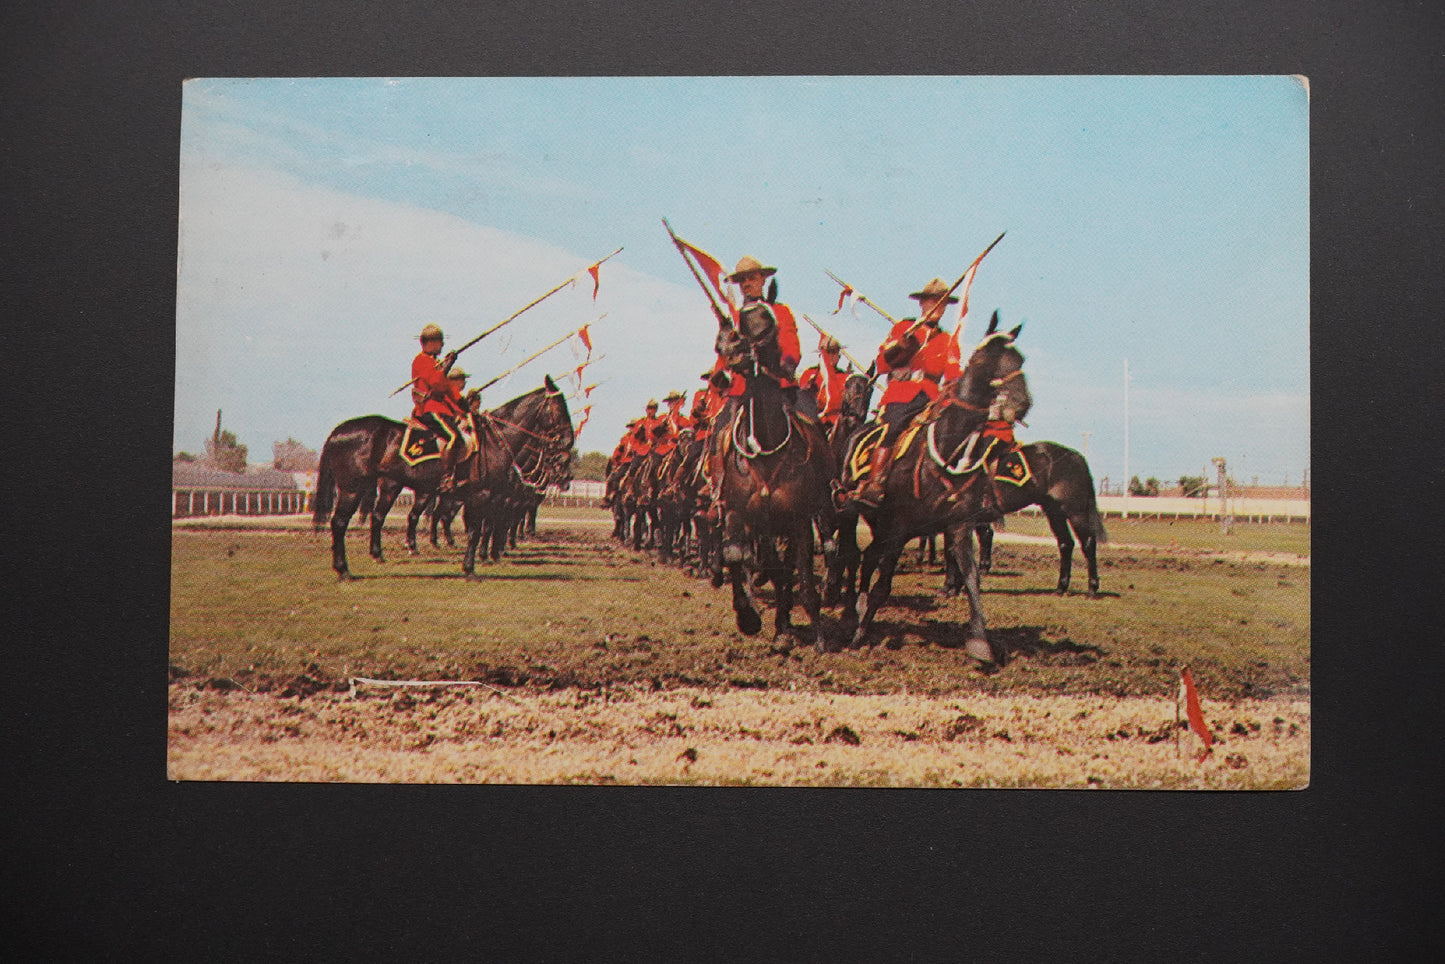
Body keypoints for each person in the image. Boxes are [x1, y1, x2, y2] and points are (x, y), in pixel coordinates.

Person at [844, 278, 962, 508]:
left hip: (932, 397)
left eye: (942, 303)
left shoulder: (948, 340)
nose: (938, 307)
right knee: (894, 426)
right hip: (902, 394)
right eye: (933, 301)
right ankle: (875, 481)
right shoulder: (904, 328)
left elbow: (953, 373)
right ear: (922, 304)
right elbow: (881, 364)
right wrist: (901, 346)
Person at [409, 323, 466, 491]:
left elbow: (449, 388)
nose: (442, 345)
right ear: (432, 342)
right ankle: (446, 478)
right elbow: (436, 383)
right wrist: (447, 366)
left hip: (441, 408)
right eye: (440, 341)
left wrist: (463, 405)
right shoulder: (421, 360)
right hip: (430, 409)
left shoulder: (434, 363)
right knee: (454, 437)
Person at [798, 333, 848, 430]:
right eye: (827, 352)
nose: (831, 356)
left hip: (834, 424)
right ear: (820, 355)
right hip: (811, 420)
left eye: (834, 352)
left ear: (839, 356)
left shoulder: (845, 377)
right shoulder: (809, 373)